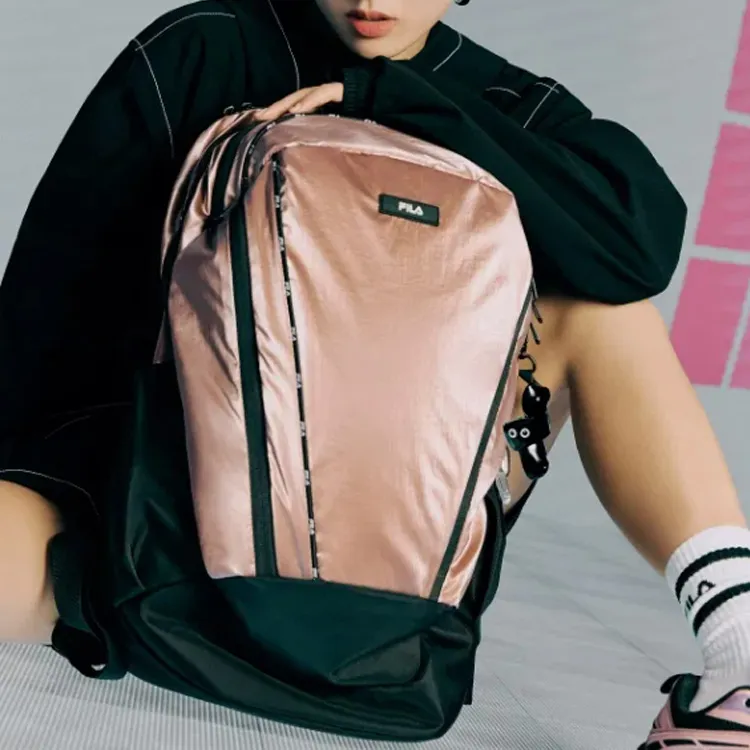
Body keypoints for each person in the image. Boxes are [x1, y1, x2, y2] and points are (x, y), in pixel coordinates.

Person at [0, 0, 748, 745]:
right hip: (160, 508)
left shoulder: (509, 104)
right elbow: (55, 300)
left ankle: (738, 649)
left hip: (401, 539)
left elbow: (639, 245)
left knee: (607, 309)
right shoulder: (209, 48)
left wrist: (396, 102)